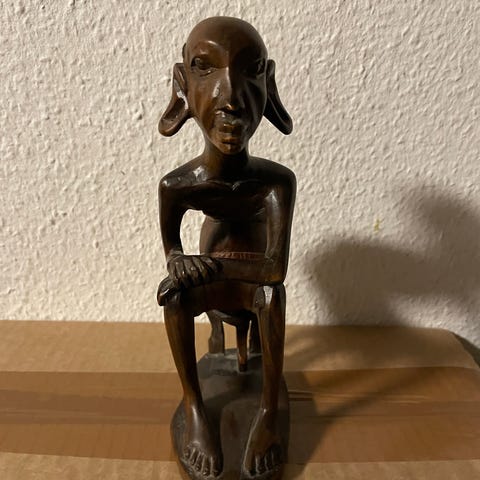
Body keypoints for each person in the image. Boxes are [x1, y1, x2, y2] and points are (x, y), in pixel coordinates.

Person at [157, 16, 295, 478]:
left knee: (273, 296)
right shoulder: (177, 186)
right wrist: (179, 264)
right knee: (173, 297)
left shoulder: (276, 184)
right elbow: (173, 253)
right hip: (220, 284)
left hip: (248, 286)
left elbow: (273, 270)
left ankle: (269, 411)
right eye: (205, 67)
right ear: (182, 85)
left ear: (268, 84)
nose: (231, 98)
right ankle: (194, 407)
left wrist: (208, 267)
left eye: (250, 70)